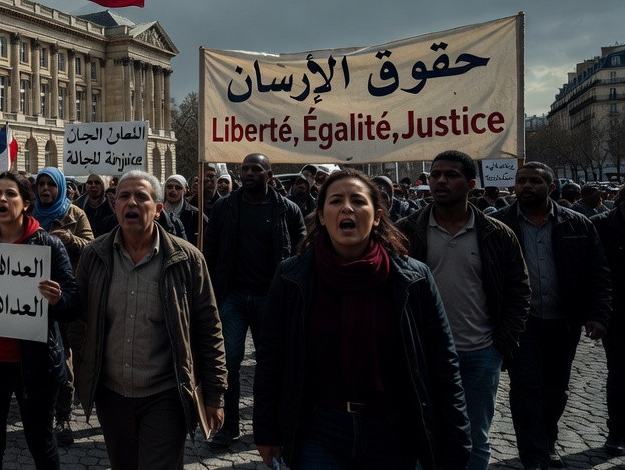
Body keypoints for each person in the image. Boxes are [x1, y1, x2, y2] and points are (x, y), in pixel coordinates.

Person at [254, 169, 470, 470]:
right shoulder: (292, 276)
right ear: (321, 215)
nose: (347, 208)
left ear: (377, 216)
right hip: (318, 431)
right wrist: (266, 430)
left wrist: (457, 440)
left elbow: (443, 362)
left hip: (392, 430)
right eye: (336, 201)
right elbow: (271, 359)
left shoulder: (414, 277)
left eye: (358, 201)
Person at [73, 170, 226, 470]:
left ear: (157, 209)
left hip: (166, 395)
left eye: (141, 196)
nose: (131, 202)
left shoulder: (188, 260)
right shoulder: (94, 255)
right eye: (123, 197)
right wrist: (84, 364)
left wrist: (216, 394)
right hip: (112, 395)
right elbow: (78, 318)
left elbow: (209, 329)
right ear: (114, 206)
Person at [398, 151, 531, 470]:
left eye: (451, 175)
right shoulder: (405, 232)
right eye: (435, 175)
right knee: (421, 432)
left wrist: (500, 345)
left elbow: (519, 291)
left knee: (474, 437)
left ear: (471, 184)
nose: (440, 180)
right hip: (424, 356)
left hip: (480, 353)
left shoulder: (498, 234)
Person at [0, 171, 75, 470]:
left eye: (10, 194)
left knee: (40, 442)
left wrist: (58, 299)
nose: (2, 199)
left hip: (35, 364)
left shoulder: (48, 246)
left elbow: (75, 303)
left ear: (26, 203)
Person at [499, 162, 611, 470]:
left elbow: (598, 272)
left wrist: (598, 315)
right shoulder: (498, 224)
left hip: (564, 322)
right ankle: (534, 455)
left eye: (535, 181)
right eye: (521, 181)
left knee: (556, 389)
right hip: (522, 324)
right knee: (526, 387)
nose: (526, 186)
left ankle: (547, 440)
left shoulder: (577, 224)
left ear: (550, 188)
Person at [202, 152, 306, 450]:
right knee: (229, 363)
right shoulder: (224, 208)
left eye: (255, 169)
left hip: (271, 298)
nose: (248, 173)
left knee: (270, 364)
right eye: (244, 168)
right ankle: (228, 427)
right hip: (232, 297)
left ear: (269, 175)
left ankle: (269, 427)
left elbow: (301, 252)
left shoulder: (288, 210)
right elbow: (210, 251)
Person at [31, 166, 93, 445]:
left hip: (66, 297)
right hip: (33, 297)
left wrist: (72, 240)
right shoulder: (29, 214)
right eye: (41, 184)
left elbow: (92, 247)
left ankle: (63, 415)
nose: (45, 190)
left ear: (60, 187)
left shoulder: (75, 214)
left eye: (51, 185)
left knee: (64, 360)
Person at [592, 192, 625, 456]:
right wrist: (598, 313)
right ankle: (617, 432)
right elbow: (596, 272)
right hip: (618, 313)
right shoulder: (602, 225)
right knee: (620, 374)